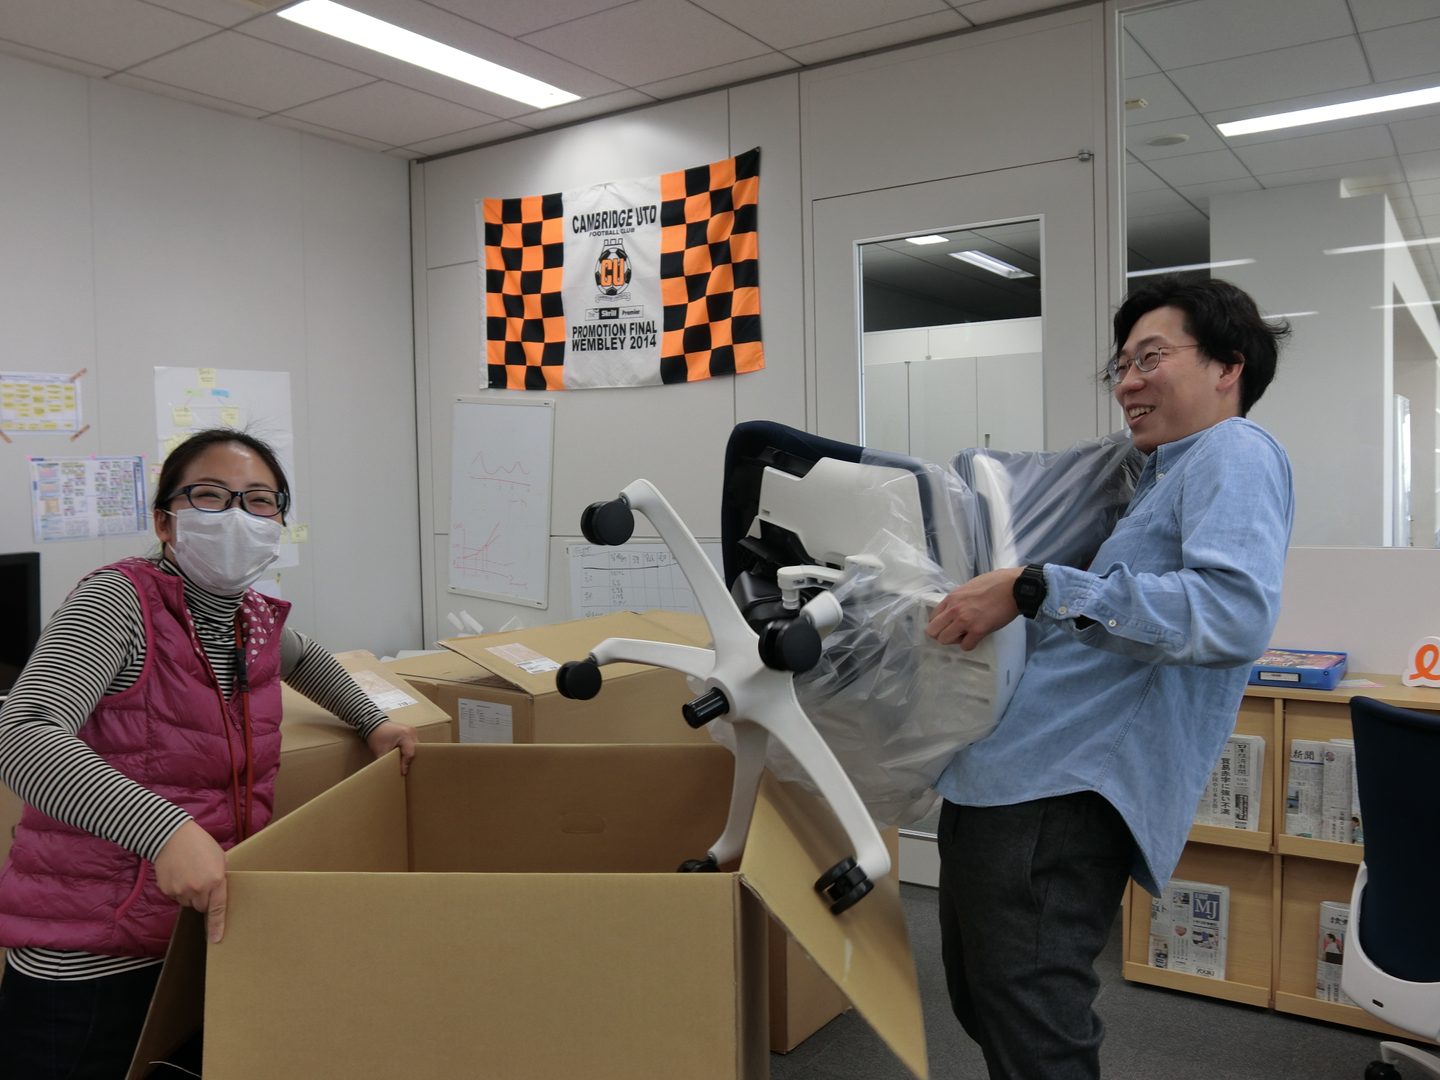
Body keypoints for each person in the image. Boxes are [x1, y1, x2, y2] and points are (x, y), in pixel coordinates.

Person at [924, 276, 1295, 1080]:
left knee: (1034, 1027)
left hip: (1062, 790)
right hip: (1007, 777)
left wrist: (1035, 587)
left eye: (1150, 358)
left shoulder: (1235, 450)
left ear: (1228, 365)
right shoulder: (1150, 475)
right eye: (1121, 365)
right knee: (989, 1003)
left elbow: (1231, 614)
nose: (1127, 381)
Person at [0, 428, 417, 1080]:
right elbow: (24, 731)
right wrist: (163, 831)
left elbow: (305, 657)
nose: (236, 516)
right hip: (91, 961)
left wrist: (373, 722)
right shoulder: (118, 602)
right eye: (211, 496)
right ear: (165, 520)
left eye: (259, 500)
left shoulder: (249, 619)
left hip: (196, 938)